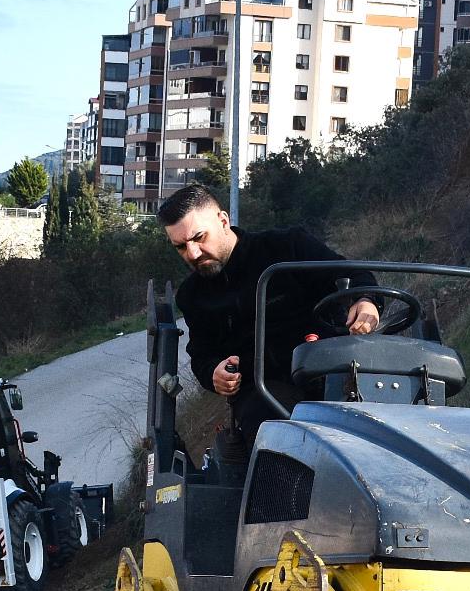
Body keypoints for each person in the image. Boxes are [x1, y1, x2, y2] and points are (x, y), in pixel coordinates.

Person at [158, 184, 379, 472]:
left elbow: (353, 274)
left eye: (199, 237)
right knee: (277, 438)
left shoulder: (287, 247)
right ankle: (283, 513)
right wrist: (215, 373)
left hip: (332, 372)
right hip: (263, 391)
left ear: (223, 221)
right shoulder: (193, 296)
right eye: (181, 247)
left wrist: (366, 301)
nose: (193, 252)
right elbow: (202, 354)